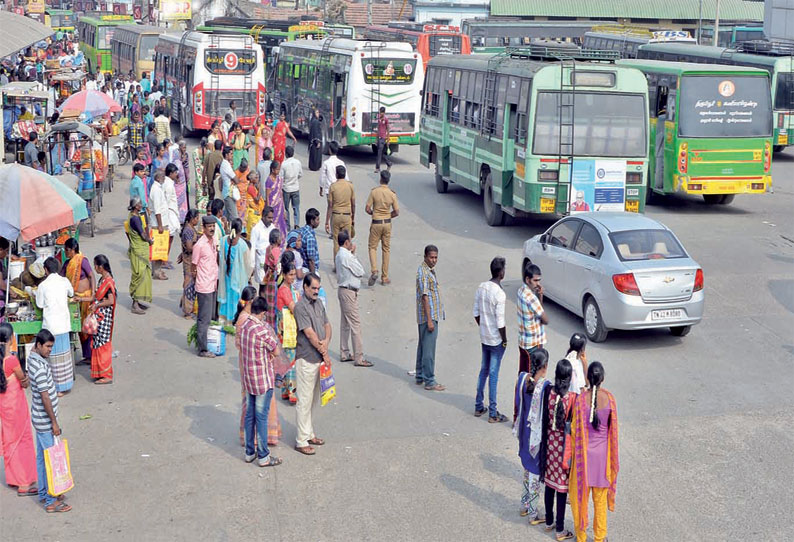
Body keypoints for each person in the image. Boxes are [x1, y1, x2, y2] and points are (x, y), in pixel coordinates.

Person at [569, 362, 619, 542]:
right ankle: (599, 537)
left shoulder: (581, 400)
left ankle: (581, 536)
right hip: (602, 460)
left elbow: (574, 430)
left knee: (579, 499)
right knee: (599, 500)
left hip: (584, 459)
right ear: (603, 378)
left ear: (588, 378)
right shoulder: (610, 399)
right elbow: (613, 431)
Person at [27, 330, 71, 513]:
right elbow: (45, 397)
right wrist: (54, 423)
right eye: (47, 346)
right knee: (49, 460)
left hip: (39, 418)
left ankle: (46, 491)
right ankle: (49, 499)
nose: (50, 350)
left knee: (41, 458)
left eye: (51, 347)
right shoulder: (38, 367)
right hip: (45, 421)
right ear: (38, 345)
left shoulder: (34, 359)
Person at [239, 297, 283, 467]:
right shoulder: (261, 330)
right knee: (261, 418)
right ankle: (264, 456)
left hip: (249, 378)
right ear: (263, 313)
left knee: (250, 415)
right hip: (262, 380)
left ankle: (250, 452)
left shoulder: (244, 326)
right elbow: (277, 351)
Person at [293, 273, 331, 456]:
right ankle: (301, 440)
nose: (316, 291)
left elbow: (327, 326)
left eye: (318, 288)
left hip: (319, 359)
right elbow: (309, 333)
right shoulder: (300, 307)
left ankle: (309, 433)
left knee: (314, 400)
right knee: (304, 401)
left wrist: (326, 343)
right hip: (307, 358)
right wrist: (324, 351)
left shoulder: (319, 303)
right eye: (313, 288)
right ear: (305, 287)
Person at [0, 323, 37, 497]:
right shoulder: (12, 361)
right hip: (16, 407)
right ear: (10, 339)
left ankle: (14, 478)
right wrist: (26, 379)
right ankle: (24, 482)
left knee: (10, 441)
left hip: (4, 408)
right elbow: (23, 379)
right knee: (23, 440)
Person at [540, 358, 575, 541]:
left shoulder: (548, 393)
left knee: (549, 486)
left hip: (549, 449)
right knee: (561, 490)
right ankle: (560, 529)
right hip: (564, 452)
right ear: (569, 378)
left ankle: (548, 522)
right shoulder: (572, 399)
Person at [514, 348, 550, 524]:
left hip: (524, 434)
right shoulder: (544, 387)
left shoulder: (522, 379)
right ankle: (533, 513)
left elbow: (517, 403)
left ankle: (524, 504)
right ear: (545, 366)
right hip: (536, 438)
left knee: (527, 471)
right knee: (535, 474)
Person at [473, 256, 508, 422]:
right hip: (495, 340)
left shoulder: (481, 287)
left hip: (484, 337)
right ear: (501, 272)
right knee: (493, 375)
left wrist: (483, 326)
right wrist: (504, 339)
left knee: (483, 371)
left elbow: (476, 313)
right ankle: (493, 413)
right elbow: (500, 322)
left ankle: (479, 405)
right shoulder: (499, 294)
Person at [33, 258, 74, 396]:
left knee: (54, 357)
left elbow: (39, 304)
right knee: (64, 356)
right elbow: (71, 293)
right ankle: (65, 385)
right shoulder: (64, 281)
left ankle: (57, 387)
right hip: (63, 323)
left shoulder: (43, 286)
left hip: (51, 326)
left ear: (46, 270)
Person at [335, 230, 371, 367]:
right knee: (355, 325)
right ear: (347, 242)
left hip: (344, 290)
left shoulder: (339, 255)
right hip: (349, 291)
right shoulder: (346, 256)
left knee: (345, 324)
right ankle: (359, 357)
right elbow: (360, 271)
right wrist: (353, 254)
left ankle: (344, 352)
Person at [415, 245, 445, 391]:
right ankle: (430, 380)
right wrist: (429, 320)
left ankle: (420, 375)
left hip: (428, 316)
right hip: (428, 316)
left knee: (423, 346)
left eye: (435, 258)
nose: (434, 260)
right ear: (425, 257)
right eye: (431, 257)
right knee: (429, 350)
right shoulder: (424, 273)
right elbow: (425, 297)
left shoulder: (428, 270)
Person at [61, 238, 95, 364]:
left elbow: (91, 276)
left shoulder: (82, 261)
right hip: (75, 299)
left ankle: (92, 355)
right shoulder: (67, 264)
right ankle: (87, 356)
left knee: (88, 326)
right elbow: (60, 277)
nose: (65, 253)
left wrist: (93, 294)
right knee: (80, 328)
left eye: (67, 250)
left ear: (73, 250)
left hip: (86, 298)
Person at [365, 170, 399, 286]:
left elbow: (367, 208)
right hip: (387, 223)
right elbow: (397, 211)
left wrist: (374, 213)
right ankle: (385, 277)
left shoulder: (374, 192)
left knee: (372, 247)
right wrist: (388, 215)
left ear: (380, 179)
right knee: (386, 249)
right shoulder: (392, 194)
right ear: (388, 180)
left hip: (376, 222)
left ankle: (374, 270)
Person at [233, 286, 258, 445]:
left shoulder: (248, 316)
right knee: (250, 399)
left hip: (250, 360)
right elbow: (241, 343)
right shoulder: (244, 319)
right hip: (248, 361)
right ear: (250, 301)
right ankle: (249, 436)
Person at [193, 216, 219, 358]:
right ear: (203, 228)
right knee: (204, 318)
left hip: (212, 283)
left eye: (213, 226)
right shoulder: (200, 245)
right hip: (204, 286)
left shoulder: (213, 241)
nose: (212, 228)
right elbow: (193, 265)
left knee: (209, 316)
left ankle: (205, 342)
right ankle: (202, 349)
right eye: (209, 226)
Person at [218, 218, 253, 323]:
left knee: (227, 297)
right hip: (238, 278)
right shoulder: (242, 245)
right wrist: (248, 276)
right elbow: (248, 265)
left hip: (226, 275)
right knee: (236, 299)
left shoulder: (223, 240)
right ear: (240, 229)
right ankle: (235, 321)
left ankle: (224, 320)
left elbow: (220, 258)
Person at [89, 255, 116, 384]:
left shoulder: (108, 282)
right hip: (99, 317)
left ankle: (106, 375)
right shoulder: (102, 279)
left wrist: (97, 305)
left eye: (96, 265)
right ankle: (99, 372)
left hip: (104, 319)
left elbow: (110, 301)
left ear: (101, 267)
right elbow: (96, 297)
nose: (95, 268)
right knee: (97, 344)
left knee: (103, 345)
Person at [518, 263, 549, 375]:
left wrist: (539, 295)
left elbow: (537, 311)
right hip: (533, 344)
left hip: (524, 341)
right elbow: (545, 320)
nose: (538, 284)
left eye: (539, 280)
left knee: (523, 373)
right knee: (533, 376)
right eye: (535, 281)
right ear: (527, 279)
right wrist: (539, 297)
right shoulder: (531, 298)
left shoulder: (521, 291)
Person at [125, 197, 153, 314]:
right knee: (139, 275)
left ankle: (138, 301)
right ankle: (135, 303)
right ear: (136, 206)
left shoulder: (132, 216)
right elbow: (142, 235)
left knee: (142, 275)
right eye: (140, 203)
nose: (141, 205)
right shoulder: (135, 219)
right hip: (138, 250)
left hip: (137, 249)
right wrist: (150, 241)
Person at [277, 262, 300, 404]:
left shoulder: (289, 288)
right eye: (290, 275)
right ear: (284, 275)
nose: (293, 277)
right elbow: (294, 308)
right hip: (287, 329)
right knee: (291, 359)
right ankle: (291, 392)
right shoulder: (284, 290)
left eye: (294, 274)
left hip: (287, 327)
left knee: (287, 359)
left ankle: (285, 391)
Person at [326, 165, 355, 263]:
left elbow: (330, 205)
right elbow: (353, 203)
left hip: (336, 215)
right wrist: (353, 217)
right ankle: (348, 262)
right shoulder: (350, 186)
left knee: (336, 241)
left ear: (336, 174)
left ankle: (337, 264)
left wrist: (326, 221)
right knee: (347, 240)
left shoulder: (333, 187)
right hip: (347, 216)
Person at [149, 170, 172, 280]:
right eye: (162, 176)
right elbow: (157, 210)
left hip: (161, 222)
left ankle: (157, 270)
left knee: (160, 248)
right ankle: (157, 272)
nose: (164, 178)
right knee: (158, 249)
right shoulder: (156, 190)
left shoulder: (158, 188)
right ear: (158, 178)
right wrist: (160, 225)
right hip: (159, 223)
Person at [180, 210, 200, 318]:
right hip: (189, 262)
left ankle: (187, 306)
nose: (197, 220)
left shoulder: (190, 228)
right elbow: (189, 247)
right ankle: (187, 310)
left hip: (191, 260)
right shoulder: (188, 231)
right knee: (189, 285)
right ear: (192, 219)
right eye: (197, 218)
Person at [263, 228, 283, 327]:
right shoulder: (278, 251)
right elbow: (279, 267)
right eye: (280, 237)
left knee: (269, 303)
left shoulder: (268, 249)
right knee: (275, 303)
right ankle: (274, 326)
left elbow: (265, 265)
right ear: (276, 239)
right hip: (276, 280)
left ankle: (268, 324)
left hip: (269, 278)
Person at [250, 206, 275, 286]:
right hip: (261, 260)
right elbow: (252, 248)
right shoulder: (256, 229)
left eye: (272, 218)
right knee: (263, 284)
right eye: (269, 218)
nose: (271, 220)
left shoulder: (272, 227)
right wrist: (252, 266)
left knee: (270, 285)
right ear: (263, 216)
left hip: (271, 261)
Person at [163, 163, 182, 267]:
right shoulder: (169, 184)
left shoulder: (167, 182)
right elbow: (166, 200)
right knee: (169, 237)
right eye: (175, 173)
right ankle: (164, 259)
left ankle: (165, 257)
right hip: (169, 213)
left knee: (169, 237)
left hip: (170, 212)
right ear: (170, 173)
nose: (176, 175)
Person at [265, 160, 288, 241]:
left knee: (281, 224)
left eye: (279, 169)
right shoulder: (269, 180)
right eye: (277, 169)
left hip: (279, 206)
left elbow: (280, 193)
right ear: (273, 170)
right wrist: (268, 209)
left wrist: (284, 209)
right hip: (272, 206)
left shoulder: (279, 179)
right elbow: (267, 195)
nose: (278, 171)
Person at [281, 146, 302, 230]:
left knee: (286, 207)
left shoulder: (284, 164)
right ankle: (296, 223)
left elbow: (281, 177)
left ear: (286, 154)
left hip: (286, 188)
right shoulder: (298, 162)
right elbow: (300, 174)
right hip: (295, 187)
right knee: (296, 207)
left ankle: (287, 225)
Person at [298, 208, 321, 274]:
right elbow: (311, 260)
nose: (319, 222)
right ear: (312, 221)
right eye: (317, 219)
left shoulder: (302, 230)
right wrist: (313, 276)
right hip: (308, 269)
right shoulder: (310, 237)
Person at [193, 137, 210, 212]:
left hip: (199, 174)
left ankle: (199, 207)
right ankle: (205, 207)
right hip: (206, 174)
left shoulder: (195, 152)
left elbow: (196, 165)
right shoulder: (209, 152)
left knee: (199, 191)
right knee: (206, 192)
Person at [220, 146, 237, 219]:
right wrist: (236, 180)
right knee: (234, 216)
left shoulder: (226, 163)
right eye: (231, 154)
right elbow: (236, 180)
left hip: (228, 192)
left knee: (228, 216)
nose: (232, 155)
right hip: (228, 194)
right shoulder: (226, 165)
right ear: (226, 155)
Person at [375, 106, 392, 173]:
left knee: (379, 153)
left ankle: (377, 168)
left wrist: (388, 140)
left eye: (382, 112)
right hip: (379, 138)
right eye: (380, 112)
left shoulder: (386, 120)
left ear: (384, 112)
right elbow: (378, 129)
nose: (381, 113)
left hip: (383, 138)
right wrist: (376, 139)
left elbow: (388, 130)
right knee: (381, 153)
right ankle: (389, 163)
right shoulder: (379, 119)